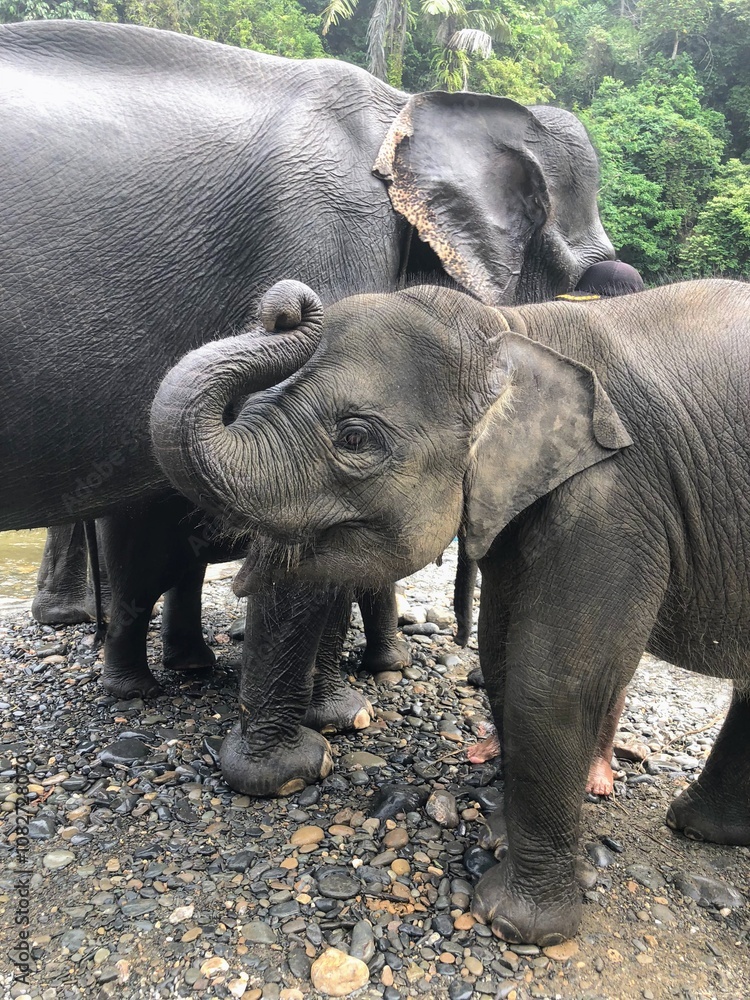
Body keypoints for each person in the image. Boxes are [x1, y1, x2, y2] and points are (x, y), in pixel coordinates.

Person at [465, 259, 646, 796]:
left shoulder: (637, 358)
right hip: (525, 493)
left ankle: (599, 751)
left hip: (595, 513)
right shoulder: (553, 340)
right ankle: (507, 733)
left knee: (600, 640)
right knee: (503, 611)